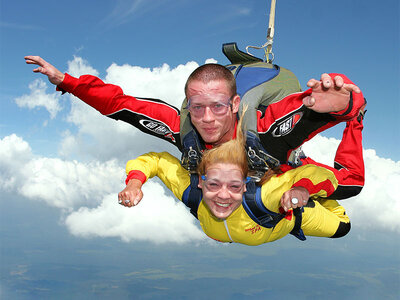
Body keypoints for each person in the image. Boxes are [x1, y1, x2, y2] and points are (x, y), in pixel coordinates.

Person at [24, 56, 366, 198]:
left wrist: (345, 105)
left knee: (349, 185)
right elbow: (120, 104)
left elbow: (305, 111)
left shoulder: (264, 131)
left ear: (234, 105)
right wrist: (67, 81)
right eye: (197, 106)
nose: (205, 118)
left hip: (273, 167)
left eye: (218, 107)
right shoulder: (181, 128)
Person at [118, 110, 354, 245]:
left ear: (245, 185)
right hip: (263, 222)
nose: (222, 195)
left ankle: (311, 200)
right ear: (200, 181)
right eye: (213, 184)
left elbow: (321, 175)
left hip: (291, 213)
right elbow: (157, 161)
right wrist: (135, 182)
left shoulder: (267, 196)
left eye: (233, 185)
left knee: (343, 227)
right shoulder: (192, 191)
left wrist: (302, 191)